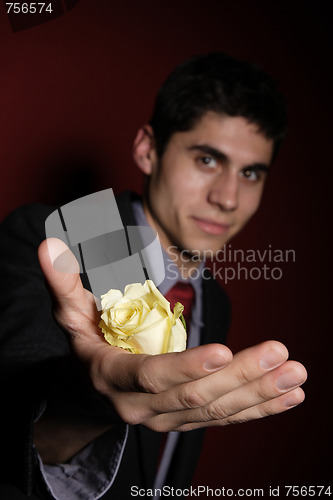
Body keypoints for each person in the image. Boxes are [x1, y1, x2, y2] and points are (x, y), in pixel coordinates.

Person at [0, 53, 307, 499]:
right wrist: (93, 400)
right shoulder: (56, 236)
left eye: (250, 172)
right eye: (207, 159)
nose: (228, 197)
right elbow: (10, 434)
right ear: (148, 150)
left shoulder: (214, 301)